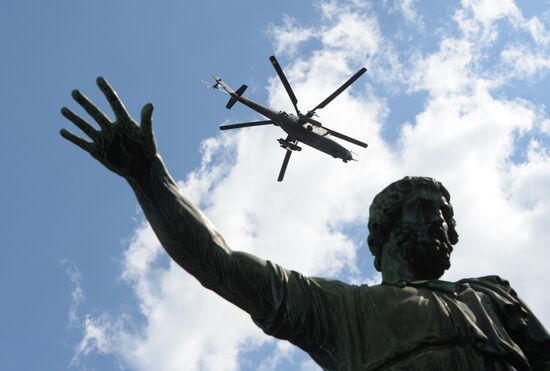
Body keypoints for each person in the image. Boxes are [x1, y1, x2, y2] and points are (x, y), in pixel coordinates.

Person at [60, 77, 550, 370]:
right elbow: (219, 263)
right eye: (428, 209)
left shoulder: (491, 294)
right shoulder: (341, 309)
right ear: (384, 230)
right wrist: (150, 179)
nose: (445, 224)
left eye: (449, 215)